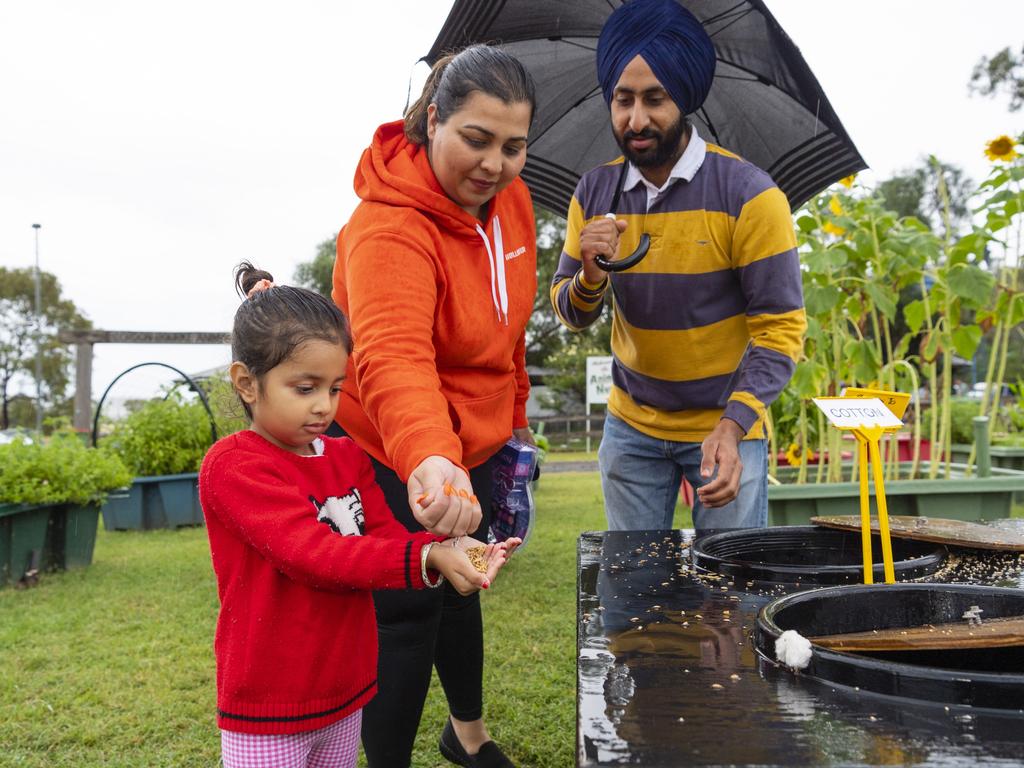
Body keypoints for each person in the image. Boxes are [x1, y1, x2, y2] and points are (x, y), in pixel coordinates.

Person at [199, 263, 513, 768]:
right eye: (305, 388)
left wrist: (457, 548)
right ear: (246, 383)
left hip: (348, 689)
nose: (325, 406)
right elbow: (313, 554)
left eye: (335, 388)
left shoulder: (346, 456)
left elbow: (387, 532)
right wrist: (426, 554)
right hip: (270, 701)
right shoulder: (236, 466)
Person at [330, 45, 537, 767]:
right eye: (475, 140)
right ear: (430, 120)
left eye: (514, 146)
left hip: (473, 443)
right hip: (394, 446)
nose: (494, 165)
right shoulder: (387, 226)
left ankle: (467, 736)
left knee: (465, 580)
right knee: (408, 606)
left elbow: (508, 329)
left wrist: (510, 423)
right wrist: (429, 452)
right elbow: (390, 356)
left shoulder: (511, 201)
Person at [551, 0, 806, 534]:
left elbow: (780, 330)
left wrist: (735, 426)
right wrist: (590, 277)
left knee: (730, 592)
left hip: (725, 425)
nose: (635, 120)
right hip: (631, 426)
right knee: (634, 590)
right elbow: (570, 312)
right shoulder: (594, 191)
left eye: (654, 99)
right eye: (622, 100)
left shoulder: (751, 196)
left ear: (683, 97)